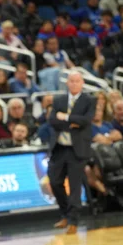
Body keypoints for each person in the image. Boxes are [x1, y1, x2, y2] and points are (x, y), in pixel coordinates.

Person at [48, 72, 94, 234]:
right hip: (59, 148)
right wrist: (73, 122)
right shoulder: (59, 100)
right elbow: (52, 121)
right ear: (67, 83)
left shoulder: (89, 100)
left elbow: (86, 121)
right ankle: (65, 213)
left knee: (75, 186)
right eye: (71, 81)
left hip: (77, 150)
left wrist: (66, 117)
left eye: (77, 81)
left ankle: (73, 220)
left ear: (82, 83)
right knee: (54, 181)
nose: (74, 84)